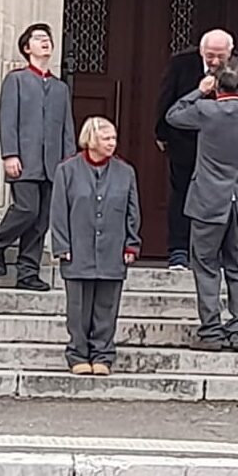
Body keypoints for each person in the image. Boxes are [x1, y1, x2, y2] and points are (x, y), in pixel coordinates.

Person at [165, 58, 238, 352]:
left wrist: (199, 90)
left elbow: (173, 115)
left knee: (206, 265)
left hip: (209, 199)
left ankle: (211, 330)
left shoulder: (205, 110)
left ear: (217, 86)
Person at [0, 23, 76, 292]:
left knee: (42, 219)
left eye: (48, 39)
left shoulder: (60, 88)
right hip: (25, 160)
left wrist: (68, 162)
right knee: (27, 209)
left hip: (53, 164)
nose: (45, 42)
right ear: (27, 47)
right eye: (38, 39)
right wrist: (9, 154)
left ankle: (27, 272)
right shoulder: (17, 80)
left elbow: (66, 127)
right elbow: (7, 120)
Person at [155, 29, 238, 270]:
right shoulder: (180, 63)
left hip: (224, 149)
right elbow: (166, 98)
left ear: (230, 52)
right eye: (210, 55)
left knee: (223, 200)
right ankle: (179, 251)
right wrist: (160, 133)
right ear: (201, 51)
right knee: (181, 194)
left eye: (220, 56)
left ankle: (220, 254)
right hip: (186, 143)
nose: (214, 61)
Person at [50, 117, 141, 376]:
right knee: (78, 308)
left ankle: (103, 354)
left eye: (113, 138)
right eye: (106, 138)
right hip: (77, 248)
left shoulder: (126, 172)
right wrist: (61, 245)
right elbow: (58, 211)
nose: (112, 143)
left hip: (113, 249)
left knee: (106, 306)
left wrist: (131, 244)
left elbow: (132, 212)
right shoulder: (67, 170)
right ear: (91, 139)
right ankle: (78, 354)